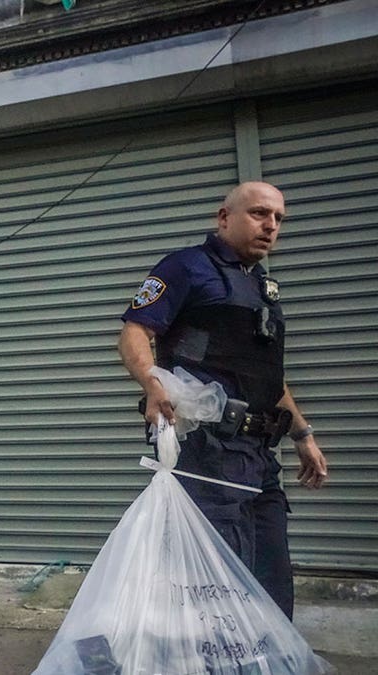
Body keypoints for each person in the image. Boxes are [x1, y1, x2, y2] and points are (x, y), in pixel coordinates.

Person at [118, 181, 328, 620]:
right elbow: (136, 332)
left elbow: (269, 378)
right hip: (207, 451)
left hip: (258, 452)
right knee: (214, 578)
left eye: (278, 219)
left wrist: (302, 434)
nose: (270, 226)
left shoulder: (262, 287)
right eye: (258, 214)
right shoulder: (185, 268)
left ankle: (266, 661)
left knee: (270, 574)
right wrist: (152, 384)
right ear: (223, 217)